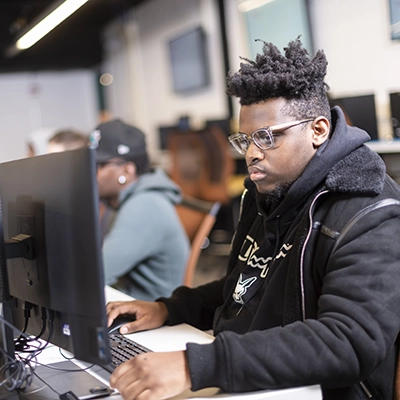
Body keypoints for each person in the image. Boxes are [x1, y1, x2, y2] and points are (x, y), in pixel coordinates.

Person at [105, 37, 400, 400]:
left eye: (266, 137)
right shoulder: (267, 193)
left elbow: (349, 342)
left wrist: (195, 366)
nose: (252, 154)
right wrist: (170, 308)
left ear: (318, 131)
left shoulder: (369, 211)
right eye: (245, 140)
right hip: (252, 375)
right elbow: (247, 285)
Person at [90, 119, 190, 301]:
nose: (89, 173)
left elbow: (94, 276)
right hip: (128, 303)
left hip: (152, 319)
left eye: (98, 165)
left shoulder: (145, 206)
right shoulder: (122, 201)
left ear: (127, 171)